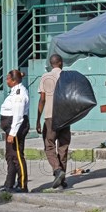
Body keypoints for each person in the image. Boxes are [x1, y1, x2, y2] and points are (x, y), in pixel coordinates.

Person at [37, 54, 70, 189]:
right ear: (61, 63)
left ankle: (57, 170)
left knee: (49, 145)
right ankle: (62, 180)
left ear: (51, 64)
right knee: (63, 147)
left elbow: (42, 99)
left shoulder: (45, 77)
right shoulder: (66, 77)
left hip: (50, 116)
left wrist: (38, 119)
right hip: (65, 117)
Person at [0, 69, 30, 193]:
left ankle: (23, 185)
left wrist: (12, 133)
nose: (6, 81)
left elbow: (18, 115)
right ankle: (9, 184)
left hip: (15, 128)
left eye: (8, 79)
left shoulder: (19, 94)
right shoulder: (14, 91)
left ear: (14, 80)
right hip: (10, 128)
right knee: (10, 156)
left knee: (17, 156)